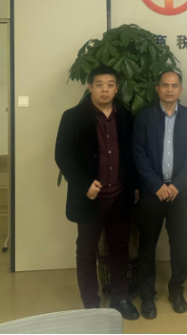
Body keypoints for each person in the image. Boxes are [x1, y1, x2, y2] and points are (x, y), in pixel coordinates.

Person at [55, 66, 140, 320]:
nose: (105, 90)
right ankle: (91, 304)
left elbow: (131, 154)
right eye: (100, 84)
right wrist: (84, 184)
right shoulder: (72, 117)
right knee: (87, 251)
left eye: (110, 85)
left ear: (116, 88)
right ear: (90, 87)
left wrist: (134, 185)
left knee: (119, 248)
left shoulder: (125, 115)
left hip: (120, 195)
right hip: (89, 199)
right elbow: (62, 155)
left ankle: (120, 297)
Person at [132, 71, 187, 320]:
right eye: (165, 85)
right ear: (157, 89)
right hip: (152, 193)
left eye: (174, 85)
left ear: (180, 89)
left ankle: (176, 290)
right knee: (147, 244)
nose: (170, 90)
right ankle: (147, 294)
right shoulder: (145, 117)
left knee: (179, 244)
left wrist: (177, 185)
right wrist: (156, 185)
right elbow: (138, 153)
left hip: (179, 193)